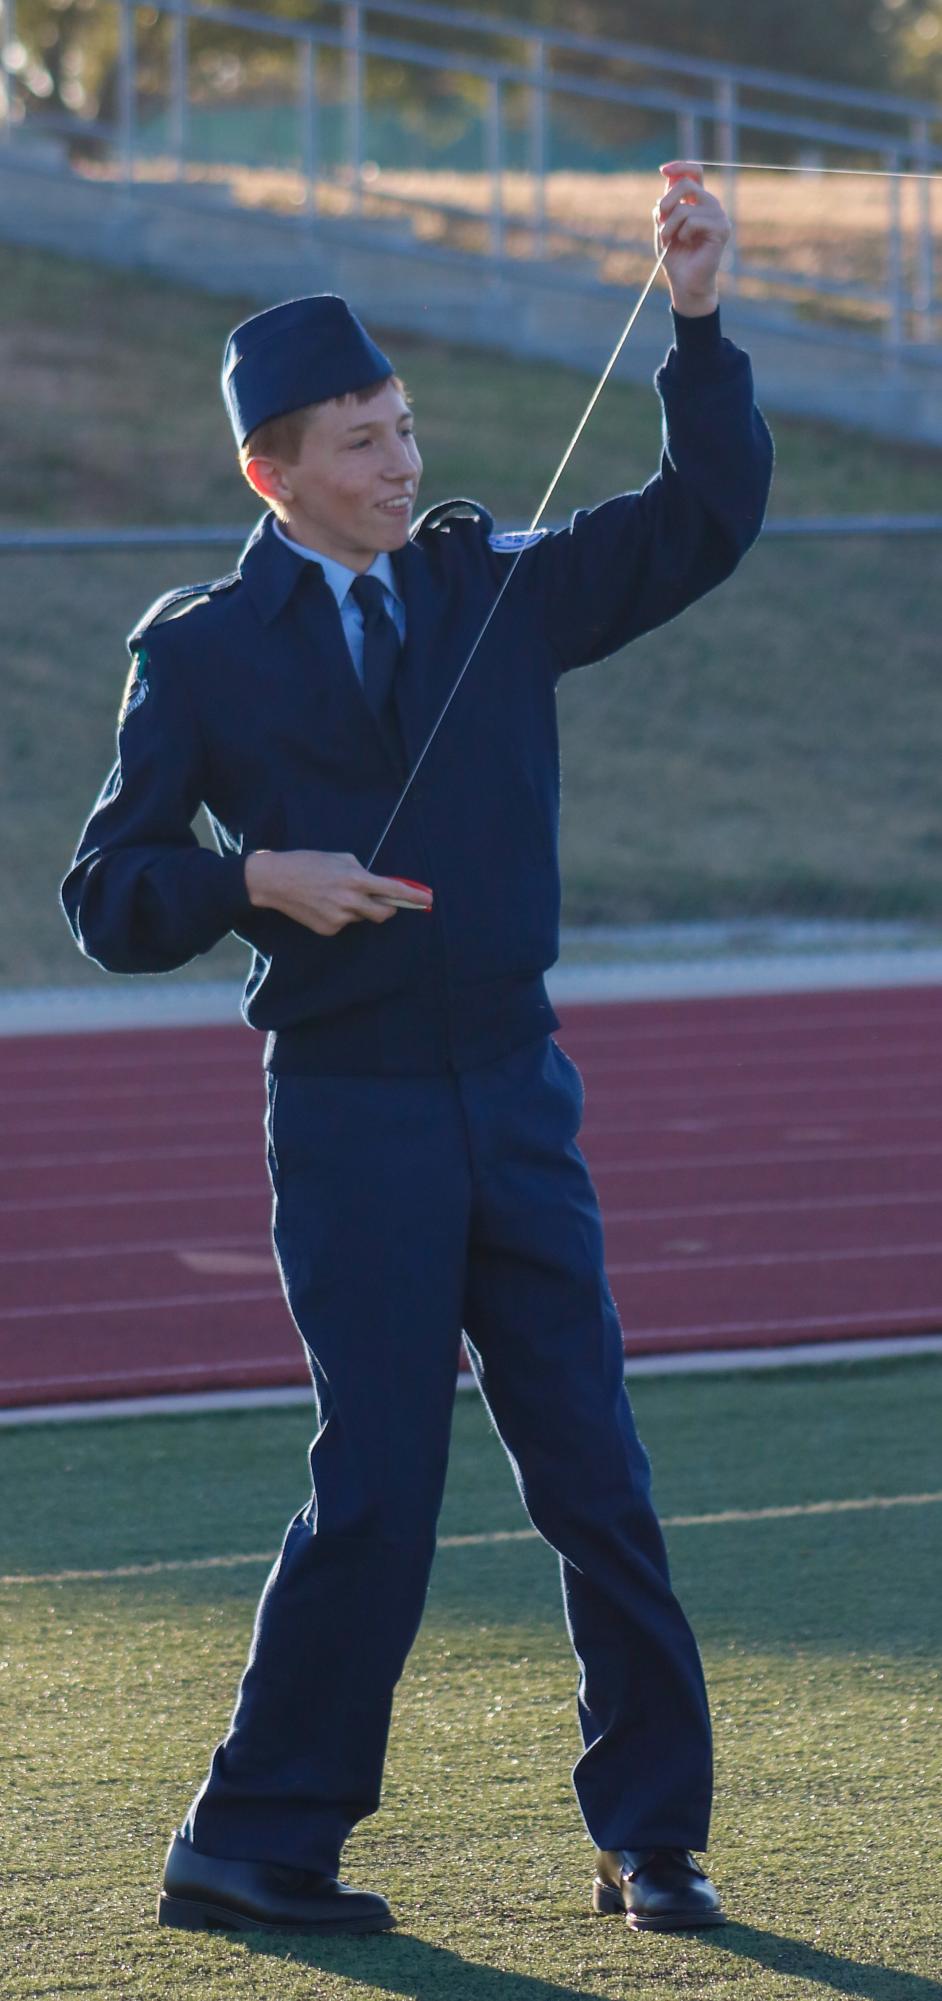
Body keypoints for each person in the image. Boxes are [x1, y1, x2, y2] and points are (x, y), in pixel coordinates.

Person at [62, 162, 773, 1939]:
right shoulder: (204, 652)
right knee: (377, 1485)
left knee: (595, 1469)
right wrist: (251, 880)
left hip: (516, 1095)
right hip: (351, 1115)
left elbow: (704, 513)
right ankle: (251, 1846)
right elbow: (108, 891)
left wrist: (694, 317)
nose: (397, 460)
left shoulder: (496, 582)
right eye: (359, 443)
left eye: (402, 427)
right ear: (271, 473)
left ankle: (653, 1839)